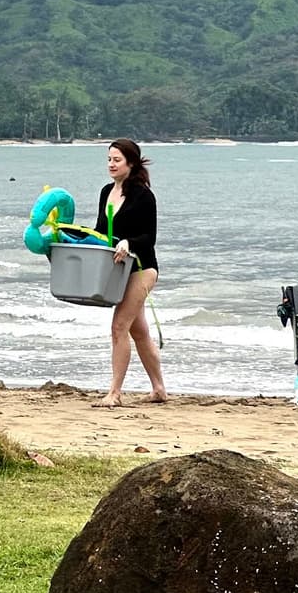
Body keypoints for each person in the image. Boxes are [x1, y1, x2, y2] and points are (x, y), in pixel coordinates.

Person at [91, 138, 167, 408]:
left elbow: (149, 237)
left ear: (131, 163)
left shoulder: (143, 195)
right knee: (139, 332)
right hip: (117, 269)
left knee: (119, 326)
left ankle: (114, 392)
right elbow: (100, 232)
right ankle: (159, 389)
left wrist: (128, 242)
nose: (111, 164)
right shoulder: (105, 192)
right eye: (109, 159)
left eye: (117, 160)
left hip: (141, 268)